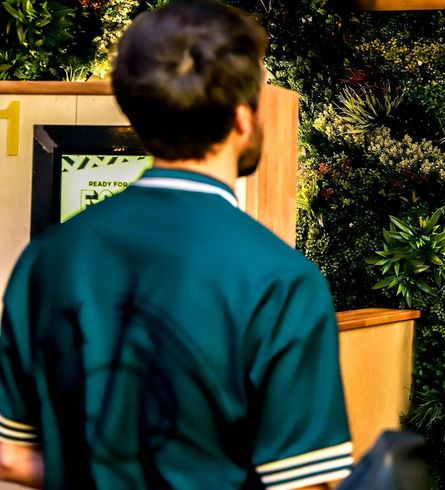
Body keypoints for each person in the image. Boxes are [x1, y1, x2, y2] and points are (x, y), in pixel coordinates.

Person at [0, 1, 352, 488]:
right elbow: (303, 482)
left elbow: (12, 456)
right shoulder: (283, 281)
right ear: (244, 118)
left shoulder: (47, 259)